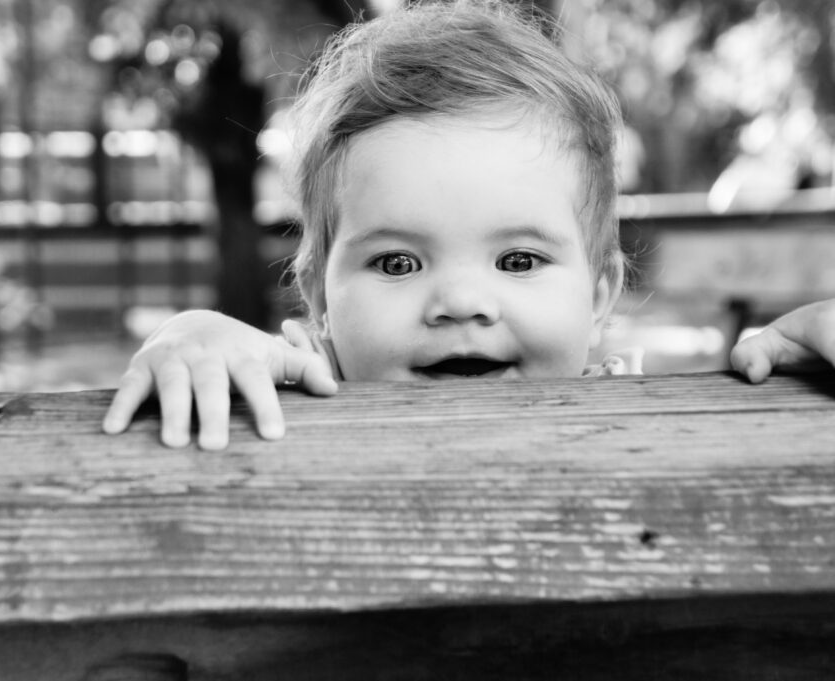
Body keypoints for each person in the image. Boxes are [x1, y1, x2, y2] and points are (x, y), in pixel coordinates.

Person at [102, 0, 835, 450]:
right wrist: (193, 339)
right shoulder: (294, 398)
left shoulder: (648, 420)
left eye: (517, 261)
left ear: (601, 291)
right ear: (318, 299)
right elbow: (217, 365)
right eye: (395, 263)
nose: (460, 301)